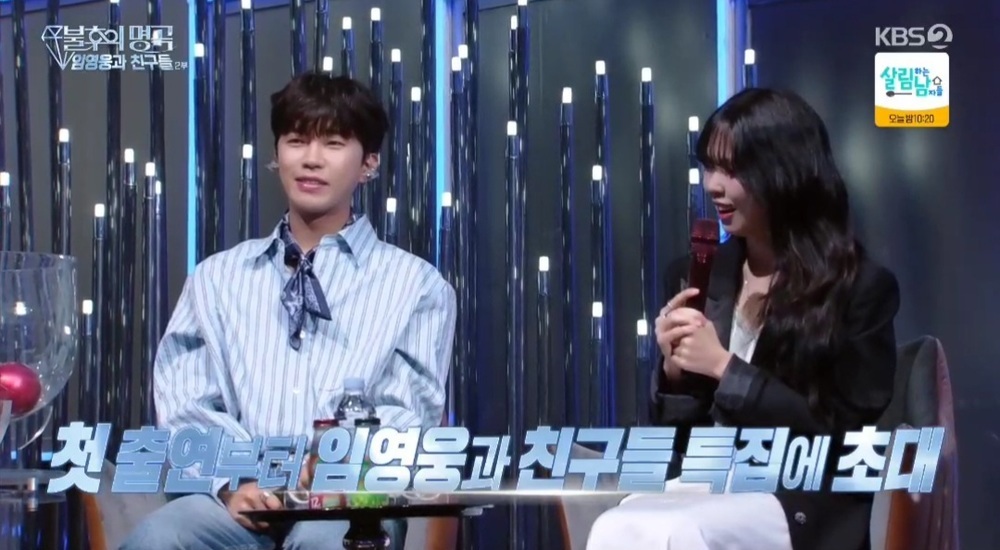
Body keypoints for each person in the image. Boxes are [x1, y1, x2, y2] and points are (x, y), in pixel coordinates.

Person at [121, 73, 457, 550]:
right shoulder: (217, 278)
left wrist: (337, 461)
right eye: (296, 140)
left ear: (369, 163)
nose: (311, 158)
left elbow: (408, 412)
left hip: (350, 502)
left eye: (333, 143)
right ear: (277, 154)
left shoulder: (417, 285)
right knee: (162, 536)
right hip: (236, 501)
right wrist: (235, 480)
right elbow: (186, 400)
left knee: (325, 539)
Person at [586, 88, 900, 550]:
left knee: (676, 531)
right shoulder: (697, 274)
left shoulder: (858, 288)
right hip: (705, 480)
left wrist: (724, 368)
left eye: (732, 170)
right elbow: (680, 440)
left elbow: (844, 437)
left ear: (785, 172)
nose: (713, 185)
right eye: (709, 167)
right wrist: (676, 376)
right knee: (615, 526)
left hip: (797, 497)